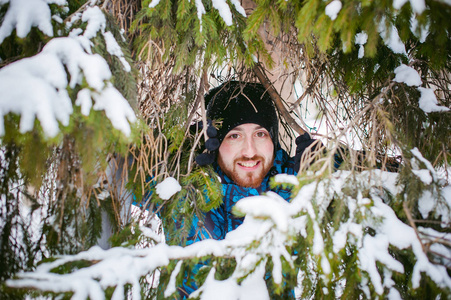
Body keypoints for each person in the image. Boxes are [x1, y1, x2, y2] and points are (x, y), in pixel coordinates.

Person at [173, 80, 319, 297]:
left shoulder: (299, 185)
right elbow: (119, 162)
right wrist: (178, 148)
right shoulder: (187, 188)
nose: (250, 151)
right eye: (234, 135)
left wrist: (332, 165)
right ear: (214, 141)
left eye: (260, 134)